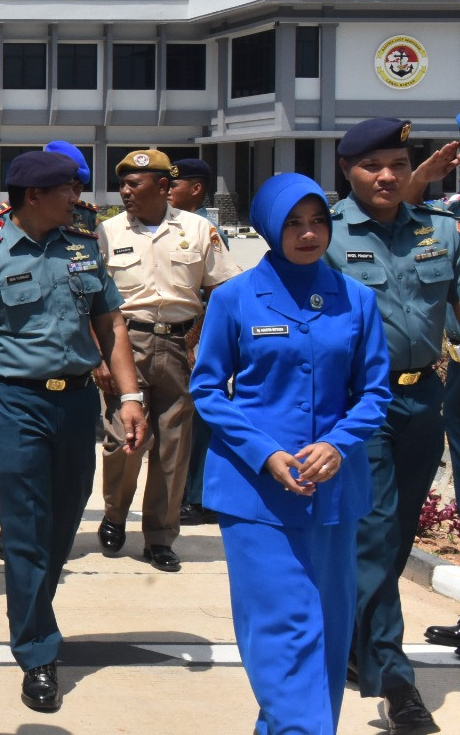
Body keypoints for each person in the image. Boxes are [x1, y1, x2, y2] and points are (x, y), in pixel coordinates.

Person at [191, 171, 391, 735]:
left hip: (333, 491)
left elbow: (375, 392)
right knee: (281, 629)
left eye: (318, 221)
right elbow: (208, 389)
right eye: (294, 223)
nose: (309, 234)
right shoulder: (233, 298)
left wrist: (338, 444)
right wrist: (265, 454)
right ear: (269, 228)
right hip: (257, 495)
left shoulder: (357, 299)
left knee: (327, 628)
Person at [0, 150, 146, 713]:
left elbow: (110, 323)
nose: (76, 198)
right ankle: (37, 651)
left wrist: (130, 396)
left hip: (76, 405)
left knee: (62, 526)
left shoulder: (83, 249)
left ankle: (33, 608)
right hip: (16, 403)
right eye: (66, 189)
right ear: (34, 196)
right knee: (26, 530)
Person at [325, 117, 460, 732]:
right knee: (377, 534)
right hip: (360, 407)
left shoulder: (441, 231)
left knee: (398, 532)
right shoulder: (325, 234)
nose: (387, 176)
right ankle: (396, 679)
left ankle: (359, 643)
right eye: (372, 166)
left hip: (424, 399)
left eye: (399, 165)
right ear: (347, 171)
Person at [96, 149, 240, 572]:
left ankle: (159, 536)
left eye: (134, 184)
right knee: (123, 440)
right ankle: (115, 514)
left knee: (173, 446)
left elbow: (223, 290)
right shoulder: (107, 232)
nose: (125, 191)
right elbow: (91, 300)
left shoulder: (198, 230)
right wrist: (99, 357)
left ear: (162, 186)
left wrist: (201, 342)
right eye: (122, 184)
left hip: (180, 344)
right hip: (125, 343)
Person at [169, 155, 227, 527]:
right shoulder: (174, 226)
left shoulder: (206, 229)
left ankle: (199, 498)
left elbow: (218, 294)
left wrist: (193, 341)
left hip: (198, 338)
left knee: (200, 420)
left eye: (174, 184)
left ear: (196, 188)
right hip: (181, 338)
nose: (167, 190)